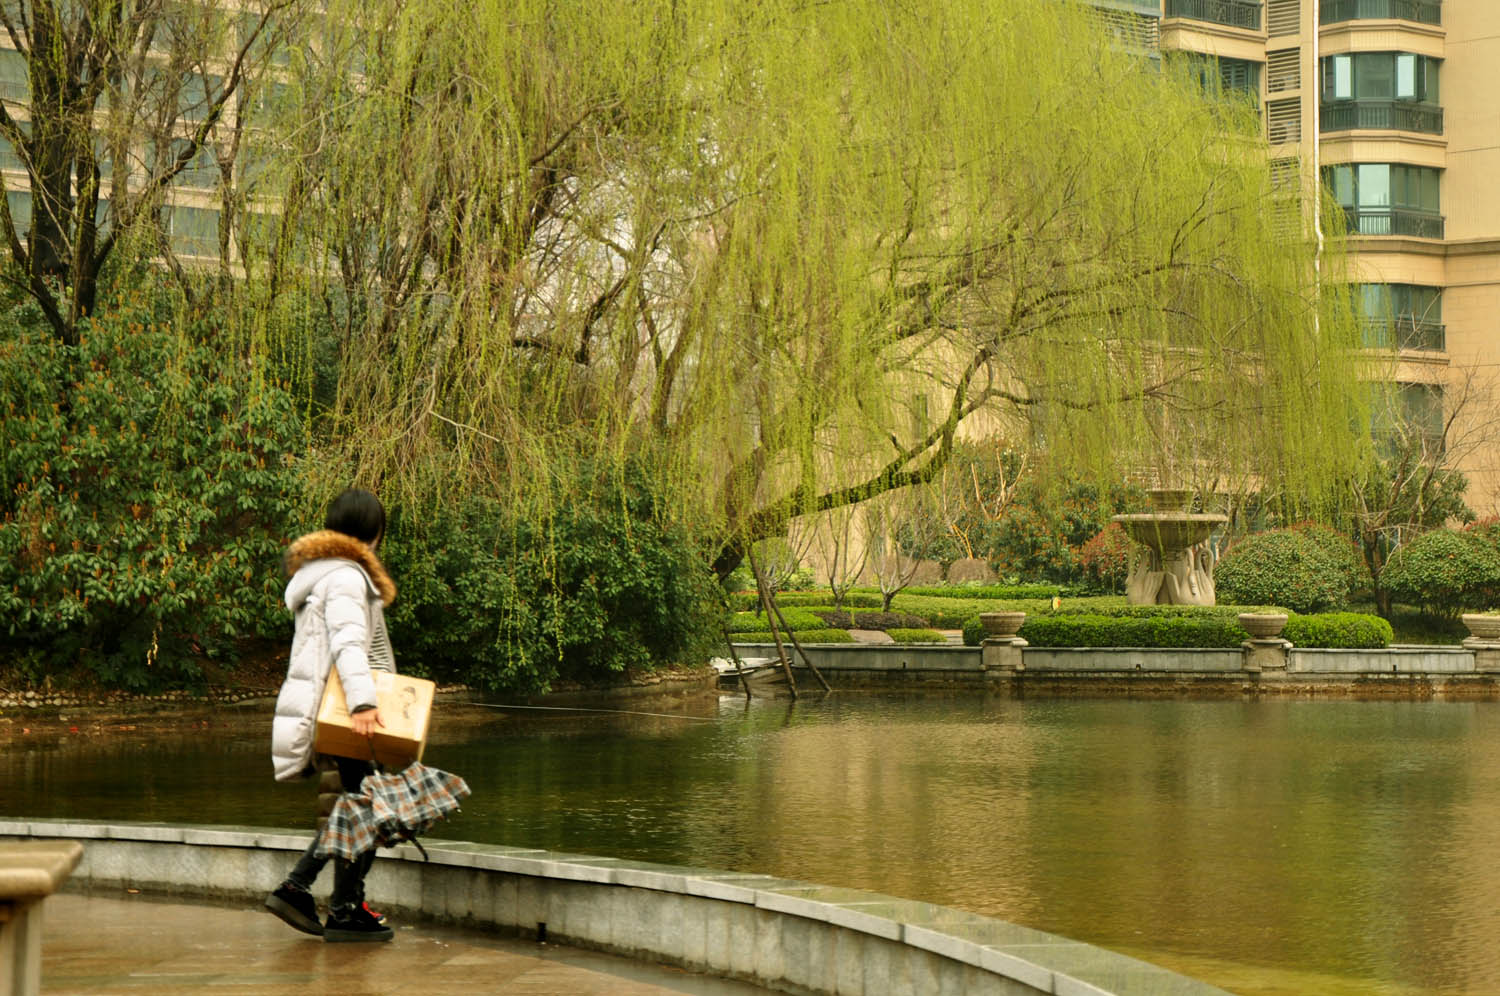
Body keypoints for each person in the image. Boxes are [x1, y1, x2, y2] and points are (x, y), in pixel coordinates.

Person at [263, 488, 397, 943]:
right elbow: (347, 642)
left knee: (362, 805)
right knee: (367, 806)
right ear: (372, 532)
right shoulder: (345, 577)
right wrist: (364, 703)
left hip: (333, 709)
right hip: (347, 712)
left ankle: (342, 906)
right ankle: (302, 889)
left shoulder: (325, 572)